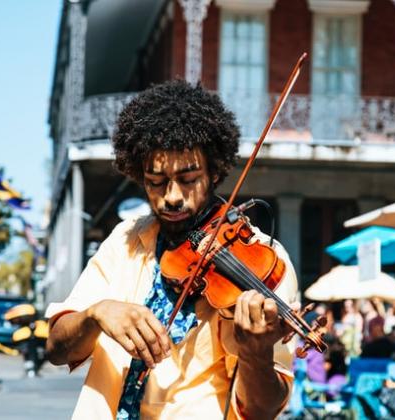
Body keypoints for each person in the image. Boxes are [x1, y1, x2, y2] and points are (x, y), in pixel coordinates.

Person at [45, 80, 298, 420]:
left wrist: (257, 355)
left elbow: (264, 409)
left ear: (214, 172)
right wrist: (96, 314)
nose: (173, 196)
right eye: (156, 182)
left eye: (189, 179)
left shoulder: (264, 259)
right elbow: (57, 348)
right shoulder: (124, 241)